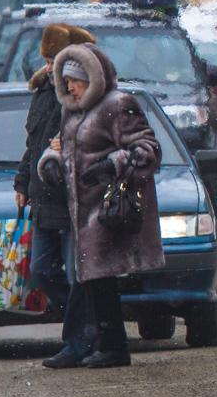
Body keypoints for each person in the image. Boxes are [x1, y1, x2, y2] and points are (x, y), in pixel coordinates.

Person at [39, 41, 163, 369]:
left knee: (99, 279)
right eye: (66, 82)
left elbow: (148, 149)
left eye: (75, 81)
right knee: (92, 280)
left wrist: (113, 164)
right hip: (81, 210)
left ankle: (113, 347)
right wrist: (51, 163)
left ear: (91, 79)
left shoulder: (118, 104)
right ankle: (104, 345)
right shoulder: (73, 110)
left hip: (107, 210)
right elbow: (65, 148)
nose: (69, 88)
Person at [14, 23, 96, 369]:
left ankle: (79, 341)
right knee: (42, 271)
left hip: (71, 199)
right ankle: (91, 324)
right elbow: (32, 147)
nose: (48, 66)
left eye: (54, 59)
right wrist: (22, 183)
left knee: (78, 275)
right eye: (46, 60)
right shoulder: (44, 93)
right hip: (43, 198)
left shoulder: (81, 96)